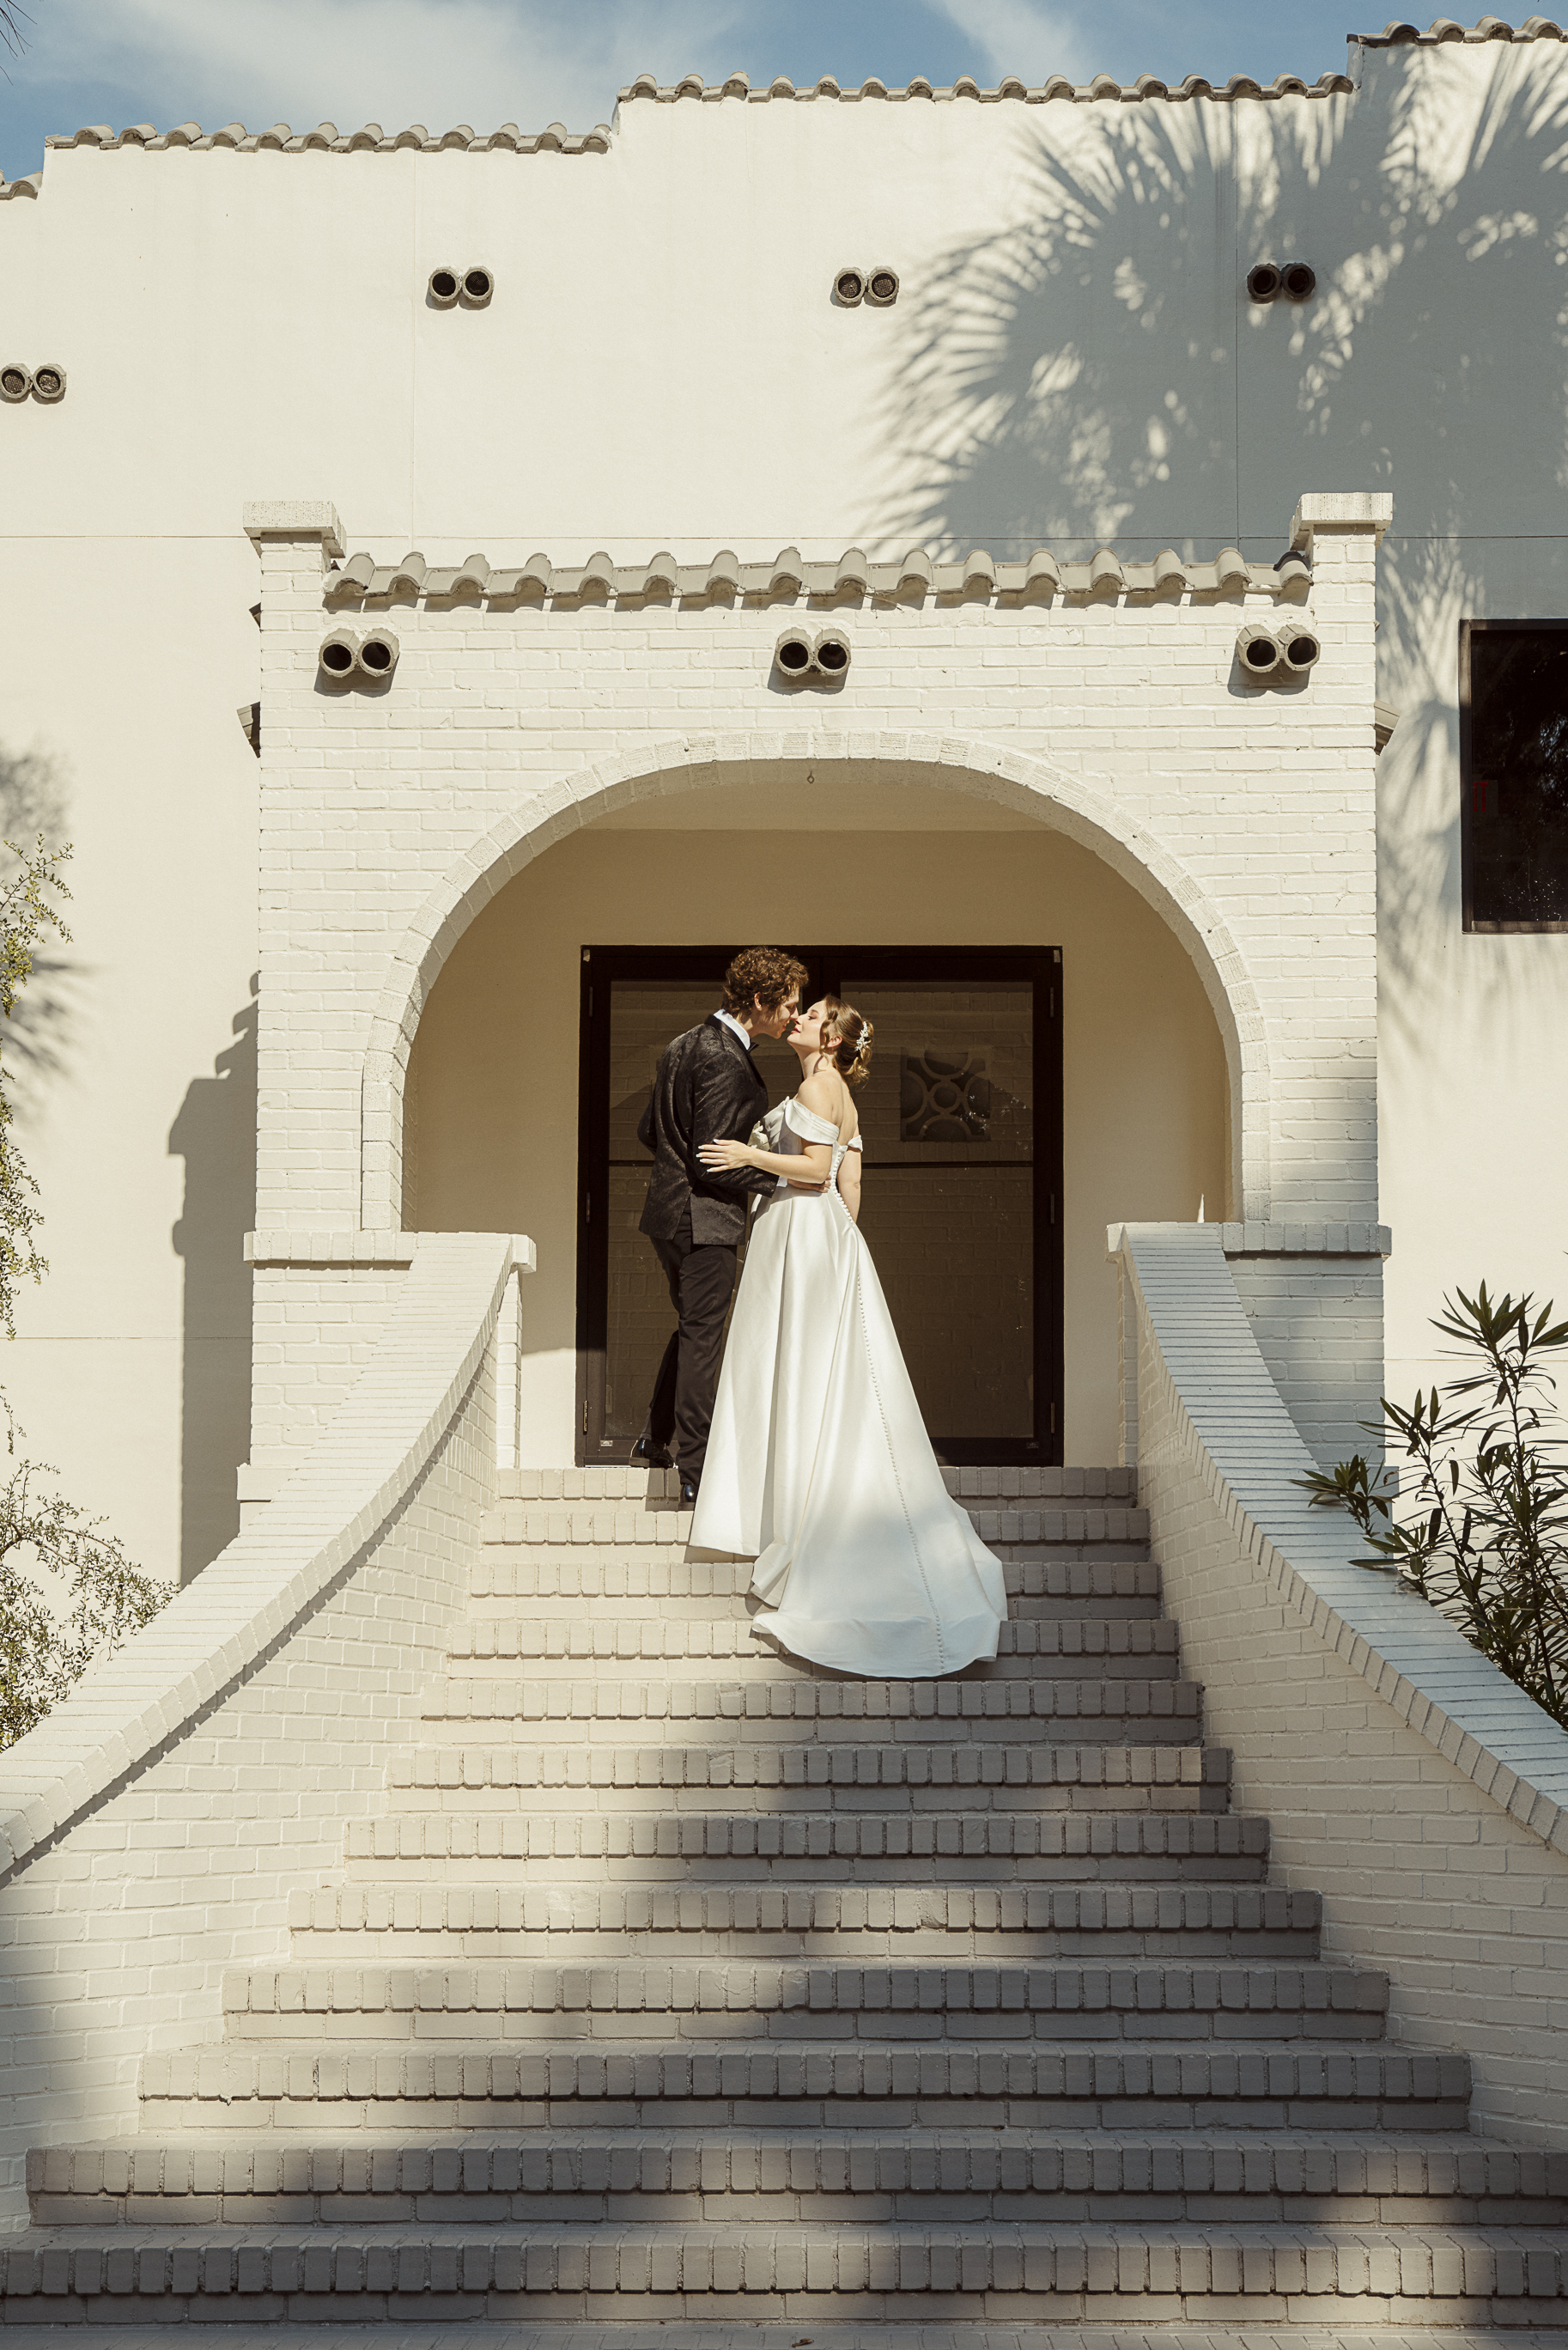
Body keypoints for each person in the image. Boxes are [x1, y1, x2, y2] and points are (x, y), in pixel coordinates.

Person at [690, 995, 1007, 1678]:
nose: (798, 1018)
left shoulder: (816, 1084)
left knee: (800, 1373)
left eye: (811, 1016)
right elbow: (851, 1186)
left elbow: (815, 1169)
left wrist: (750, 1155)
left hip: (802, 1232)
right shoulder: (839, 1094)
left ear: (830, 1041)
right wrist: (838, 1240)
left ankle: (800, 1518)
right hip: (827, 1236)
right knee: (828, 1375)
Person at [633, 947, 811, 1507]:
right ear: (758, 1001)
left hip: (668, 1213)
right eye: (788, 1005)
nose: (793, 1016)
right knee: (705, 1338)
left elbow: (648, 1129)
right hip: (704, 1217)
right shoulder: (725, 1058)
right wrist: (789, 1180)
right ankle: (698, 1469)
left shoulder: (682, 1043)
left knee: (694, 1325)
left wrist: (675, 1160)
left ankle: (653, 1439)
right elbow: (717, 1155)